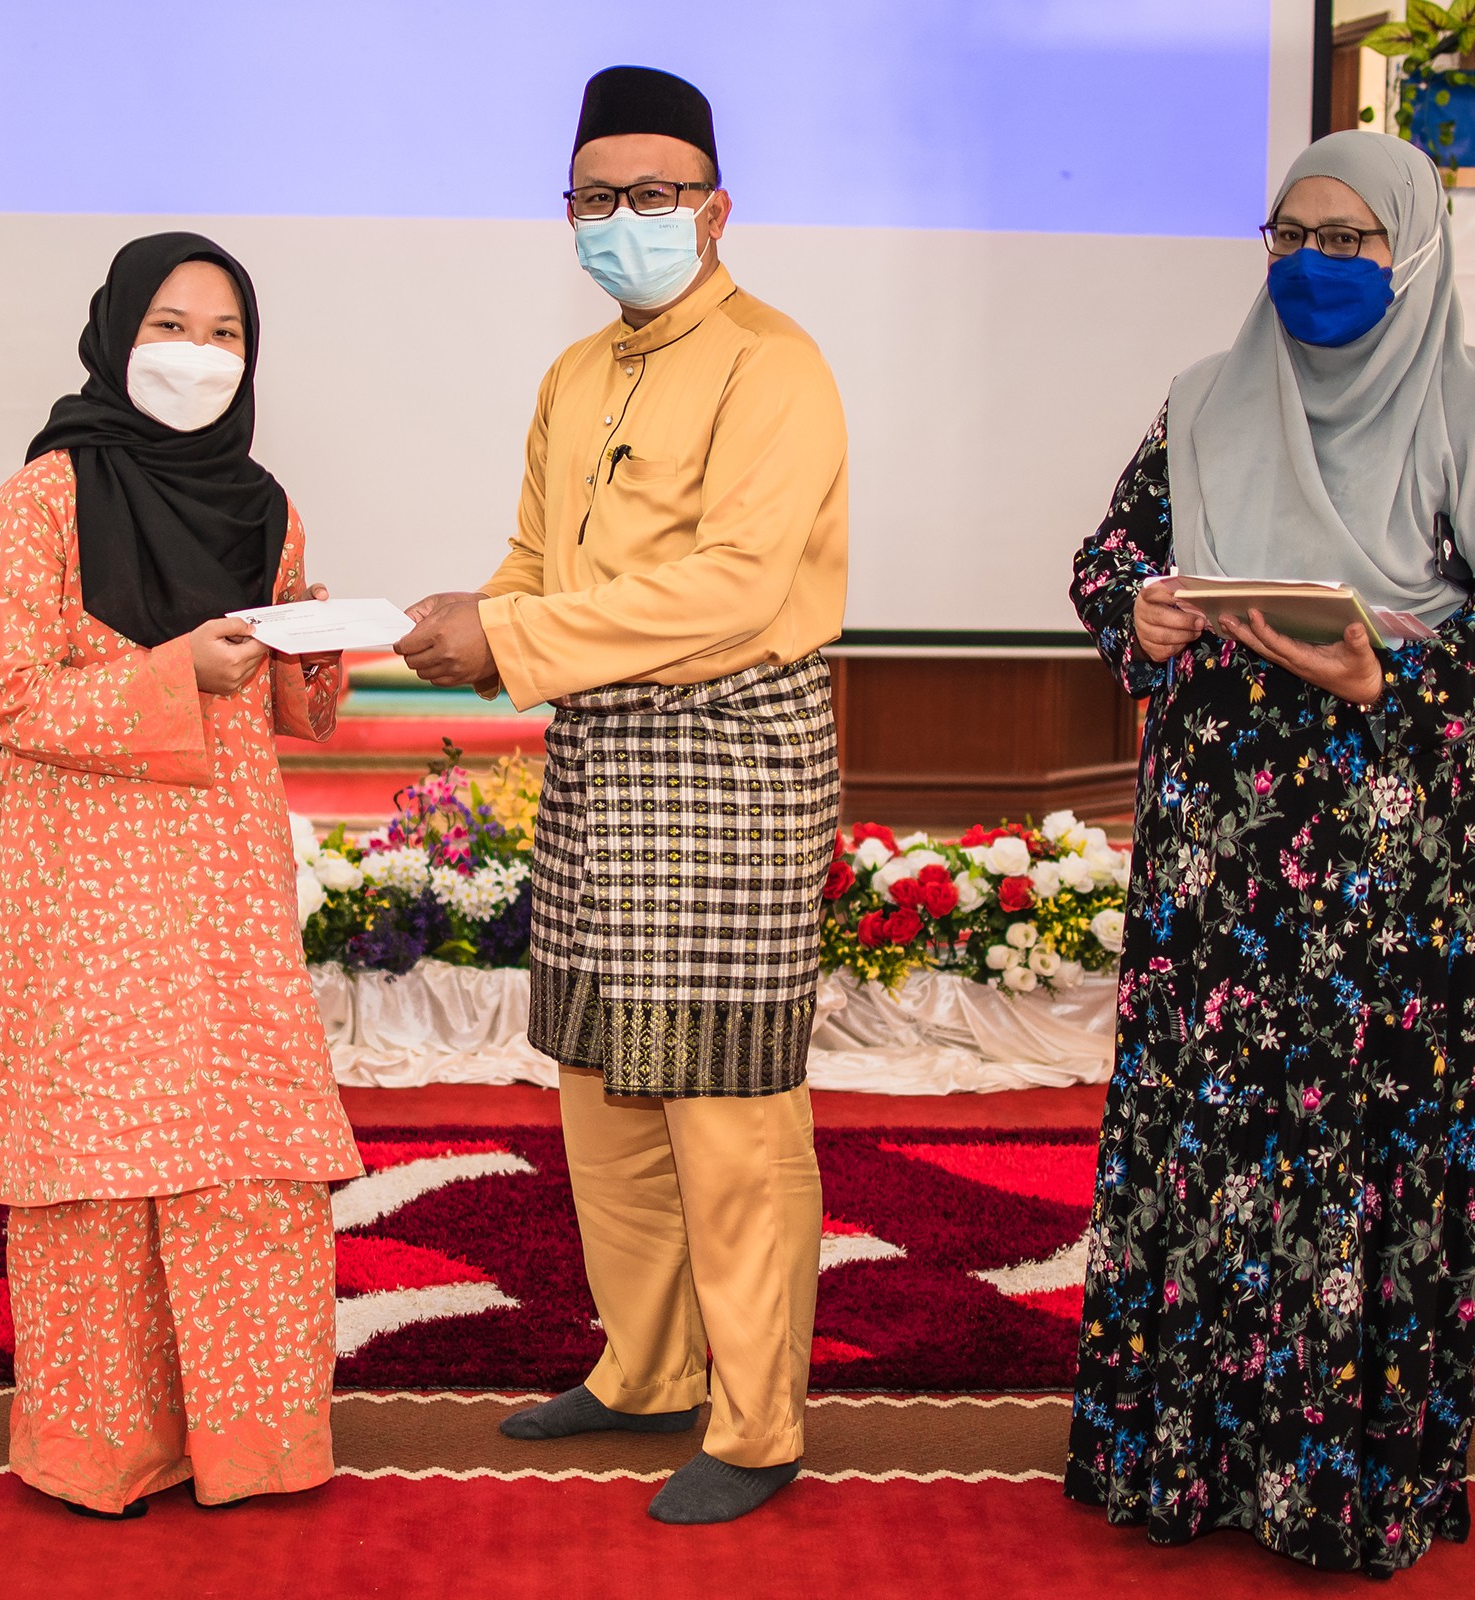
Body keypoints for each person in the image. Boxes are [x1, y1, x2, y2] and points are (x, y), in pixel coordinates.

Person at [1064, 132, 1475, 1576]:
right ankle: (1181, 1456)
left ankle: (1348, 1480)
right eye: (1290, 233)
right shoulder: (1205, 399)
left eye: (1349, 239)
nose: (1313, 263)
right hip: (1219, 860)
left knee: (1366, 1149)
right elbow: (1110, 557)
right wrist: (1143, 609)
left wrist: (1395, 678)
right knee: (1208, 1137)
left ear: (1411, 250)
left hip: (1395, 869)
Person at [397, 65, 847, 1525]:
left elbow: (736, 588)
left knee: (725, 1103)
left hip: (730, 757)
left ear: (715, 209)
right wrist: (472, 617)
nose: (623, 218)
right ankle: (648, 1368)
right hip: (602, 753)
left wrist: (511, 639)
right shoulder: (575, 373)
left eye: (654, 194)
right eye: (597, 197)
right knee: (604, 1085)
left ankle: (759, 1420)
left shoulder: (775, 364)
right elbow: (538, 559)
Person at [0, 232, 361, 1520]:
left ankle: (257, 1446)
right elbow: (11, 696)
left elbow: (294, 713)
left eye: (225, 335)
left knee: (246, 1158)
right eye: (172, 328)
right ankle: (106, 1451)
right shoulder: (40, 500)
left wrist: (316, 645)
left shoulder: (267, 506)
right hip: (89, 890)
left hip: (226, 886)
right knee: (96, 1165)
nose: (199, 356)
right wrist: (171, 670)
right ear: (116, 333)